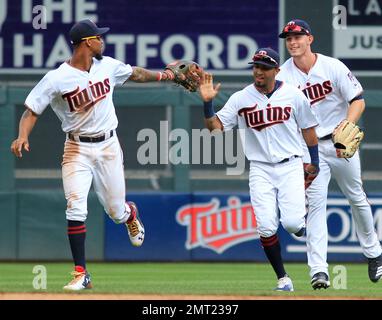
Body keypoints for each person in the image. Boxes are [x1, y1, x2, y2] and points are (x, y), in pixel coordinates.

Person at [10, 19, 184, 291]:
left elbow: (136, 74)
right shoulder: (57, 78)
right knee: (76, 206)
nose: (102, 41)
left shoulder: (108, 66)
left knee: (115, 211)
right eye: (98, 38)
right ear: (87, 42)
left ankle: (129, 214)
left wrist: (167, 76)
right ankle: (81, 274)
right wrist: (23, 135)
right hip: (76, 148)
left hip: (108, 147)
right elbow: (31, 110)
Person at [198, 47, 320, 291]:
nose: (258, 71)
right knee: (265, 226)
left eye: (264, 67)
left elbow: (308, 129)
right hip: (260, 168)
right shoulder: (241, 98)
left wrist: (314, 162)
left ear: (277, 70)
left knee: (293, 224)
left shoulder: (294, 95)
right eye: (255, 67)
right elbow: (215, 129)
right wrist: (208, 105)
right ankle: (283, 279)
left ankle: (299, 224)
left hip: (290, 164)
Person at [277, 19, 382, 289]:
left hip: (339, 142)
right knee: (316, 205)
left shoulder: (332, 66)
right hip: (309, 146)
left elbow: (357, 100)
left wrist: (348, 124)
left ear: (310, 39)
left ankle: (374, 253)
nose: (293, 42)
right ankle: (318, 270)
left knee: (356, 197)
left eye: (298, 36)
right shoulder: (282, 76)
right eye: (288, 38)